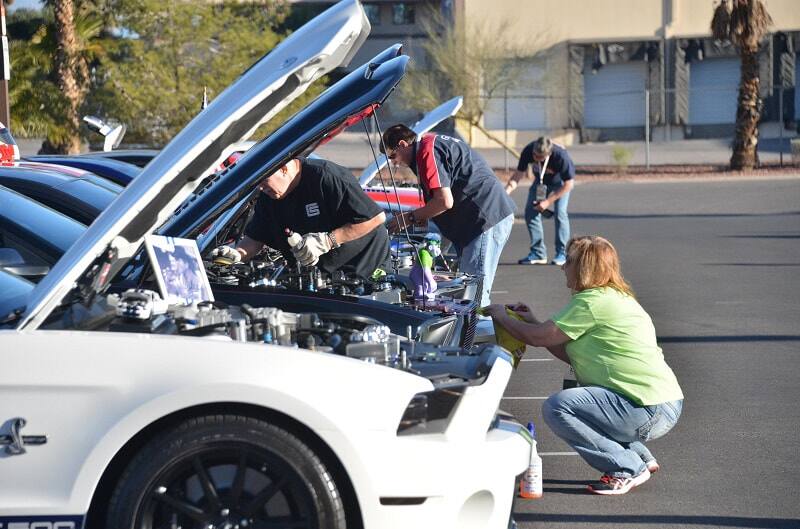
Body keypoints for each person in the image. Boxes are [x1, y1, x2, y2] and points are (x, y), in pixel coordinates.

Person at [483, 236, 683, 495]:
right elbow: (566, 351)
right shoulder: (614, 297)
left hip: (647, 409)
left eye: (568, 262)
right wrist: (531, 320)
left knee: (559, 407)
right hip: (660, 403)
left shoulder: (590, 302)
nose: (562, 267)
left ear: (583, 268)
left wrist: (501, 317)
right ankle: (640, 458)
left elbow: (537, 337)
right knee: (587, 404)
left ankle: (627, 467)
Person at [382, 124, 515, 307]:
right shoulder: (430, 144)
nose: (394, 163)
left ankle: (477, 334)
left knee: (474, 295)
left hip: (483, 218)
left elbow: (444, 201)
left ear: (403, 144)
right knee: (468, 287)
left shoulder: (428, 151)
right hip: (478, 217)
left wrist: (409, 217)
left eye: (392, 156)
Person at [212, 158, 389, 279]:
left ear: (283, 168)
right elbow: (256, 238)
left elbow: (375, 217)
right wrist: (237, 254)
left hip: (364, 270)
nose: (260, 188)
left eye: (263, 181)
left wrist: (328, 241)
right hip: (316, 278)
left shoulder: (326, 176)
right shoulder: (269, 195)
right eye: (257, 183)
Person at [505, 136, 575, 266]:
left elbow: (569, 184)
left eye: (540, 157)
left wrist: (547, 202)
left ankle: (562, 253)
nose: (536, 158)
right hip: (541, 183)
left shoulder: (560, 156)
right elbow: (518, 175)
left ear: (549, 153)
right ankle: (538, 253)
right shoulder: (528, 151)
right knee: (530, 213)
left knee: (560, 213)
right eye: (535, 155)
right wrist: (505, 193)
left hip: (561, 184)